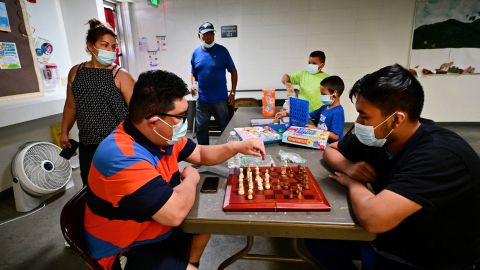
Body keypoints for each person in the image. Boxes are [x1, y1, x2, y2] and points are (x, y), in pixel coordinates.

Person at [84, 70, 266, 270]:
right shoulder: (121, 156)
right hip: (128, 249)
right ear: (154, 121)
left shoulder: (161, 136)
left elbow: (201, 154)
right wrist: (191, 178)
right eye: (180, 116)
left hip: (157, 229)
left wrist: (236, 147)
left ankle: (191, 263)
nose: (185, 122)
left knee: (205, 225)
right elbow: (175, 214)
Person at [306, 64, 480, 269]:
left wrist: (354, 184)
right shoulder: (379, 135)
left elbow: (373, 219)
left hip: (428, 255)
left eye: (365, 116)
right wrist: (348, 166)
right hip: (391, 233)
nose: (358, 122)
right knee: (316, 240)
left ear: (396, 119)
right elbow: (331, 150)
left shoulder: (440, 155)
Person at [60, 19, 135, 185]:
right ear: (90, 46)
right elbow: (71, 105)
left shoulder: (120, 75)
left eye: (113, 47)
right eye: (105, 45)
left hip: (117, 144)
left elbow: (137, 112)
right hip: (87, 143)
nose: (111, 50)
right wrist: (64, 131)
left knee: (120, 187)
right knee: (92, 186)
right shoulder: (76, 72)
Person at [191, 21, 238, 145]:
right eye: (205, 34)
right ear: (199, 36)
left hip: (220, 101)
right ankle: (204, 156)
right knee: (201, 130)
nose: (208, 36)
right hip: (202, 101)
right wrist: (193, 85)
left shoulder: (223, 51)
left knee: (225, 129)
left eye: (211, 33)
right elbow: (193, 74)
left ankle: (228, 154)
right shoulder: (195, 53)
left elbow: (233, 71)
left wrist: (232, 93)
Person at [276, 76, 345, 142]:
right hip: (320, 140)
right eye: (321, 93)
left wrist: (316, 130)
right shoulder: (324, 108)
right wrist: (287, 113)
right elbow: (306, 115)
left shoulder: (338, 112)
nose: (321, 96)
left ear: (335, 93)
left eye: (323, 94)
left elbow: (336, 136)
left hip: (329, 145)